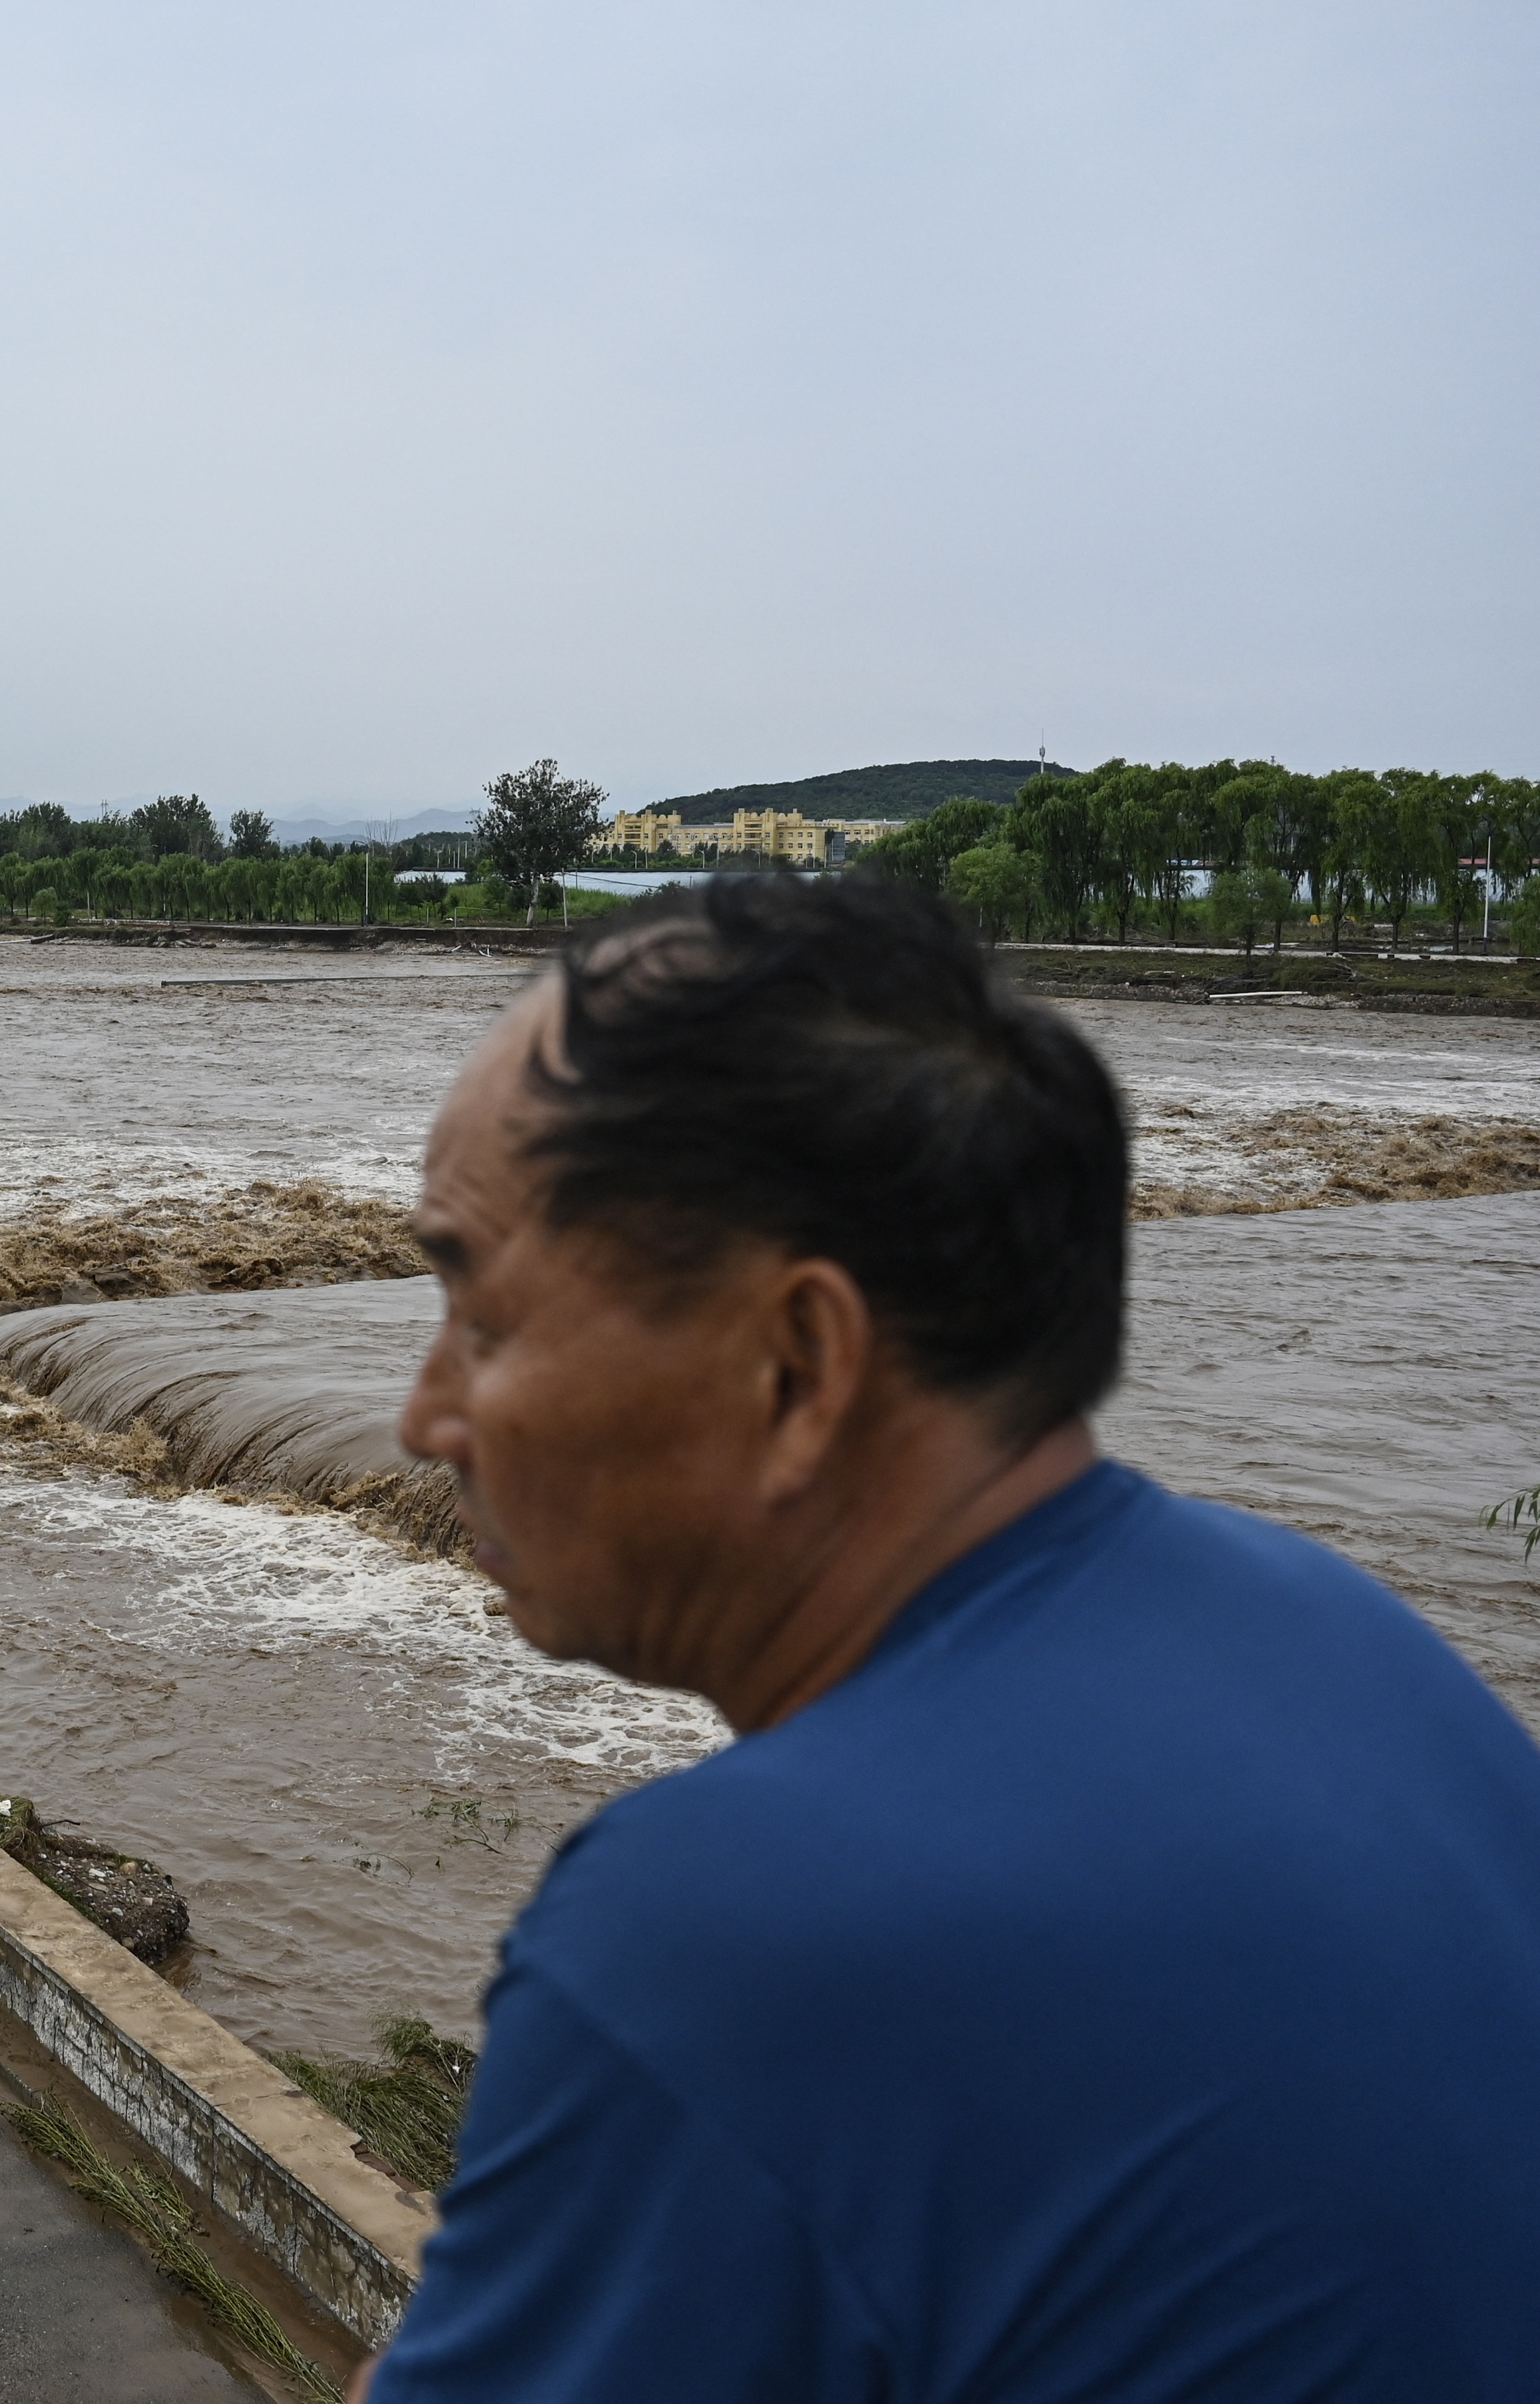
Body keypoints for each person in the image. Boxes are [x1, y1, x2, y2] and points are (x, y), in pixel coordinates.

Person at [353, 874, 1540, 2402]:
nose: (425, 1415)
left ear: (796, 1365)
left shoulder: (719, 1938)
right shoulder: (1359, 1644)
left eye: (485, 1320)